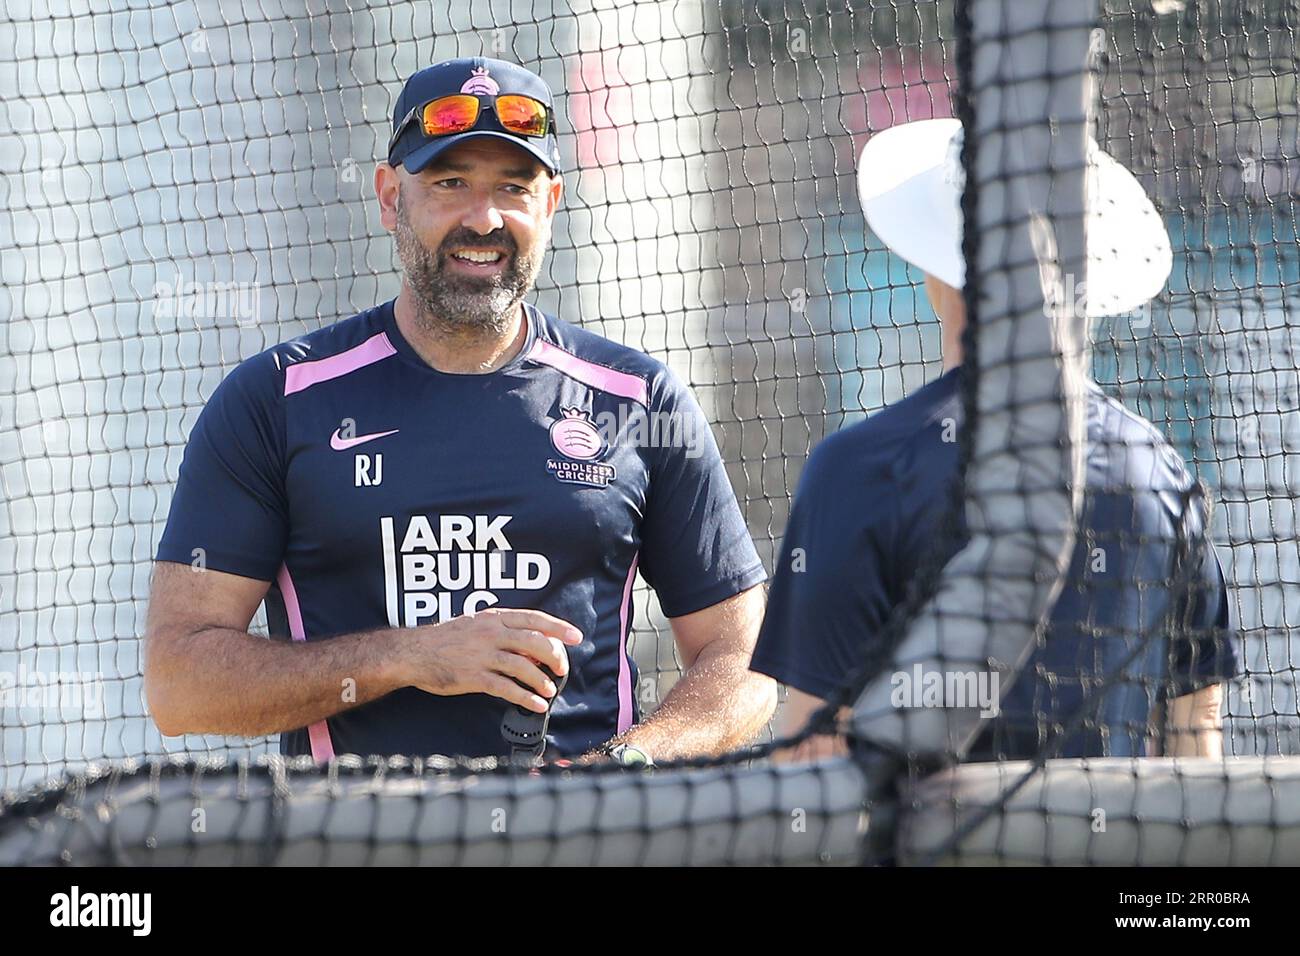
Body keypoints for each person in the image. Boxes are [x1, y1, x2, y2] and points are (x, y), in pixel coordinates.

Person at [144, 57, 775, 766]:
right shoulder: (277, 400)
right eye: (450, 184)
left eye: (514, 187)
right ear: (390, 199)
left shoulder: (637, 398)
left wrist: (623, 766)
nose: (485, 219)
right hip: (355, 843)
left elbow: (747, 660)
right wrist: (409, 657)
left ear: (551, 204)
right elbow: (180, 684)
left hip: (585, 839)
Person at [751, 118, 1236, 763]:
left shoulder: (860, 468)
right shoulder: (1159, 474)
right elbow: (1195, 737)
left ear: (938, 272)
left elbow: (809, 751)